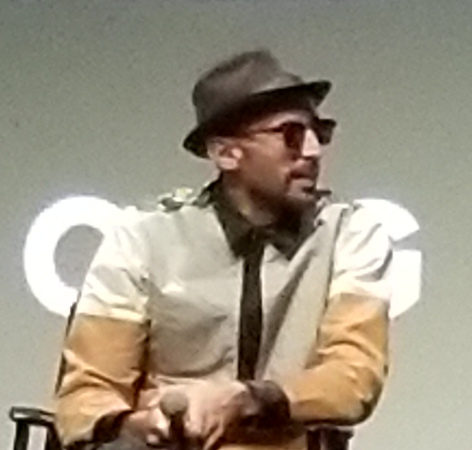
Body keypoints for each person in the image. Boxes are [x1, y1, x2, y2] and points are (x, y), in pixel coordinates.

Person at [54, 49, 393, 450]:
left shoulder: (349, 234)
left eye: (320, 132)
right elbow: (86, 396)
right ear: (226, 153)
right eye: (291, 135)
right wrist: (138, 425)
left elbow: (353, 377)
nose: (313, 150)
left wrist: (245, 400)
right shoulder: (144, 236)